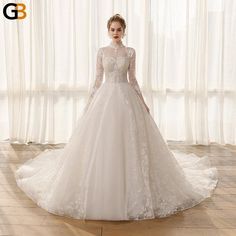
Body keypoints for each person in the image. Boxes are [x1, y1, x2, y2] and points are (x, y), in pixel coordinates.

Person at [15, 14, 218, 221]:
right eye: (112, 29)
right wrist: (90, 101)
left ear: (124, 31)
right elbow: (97, 78)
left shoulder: (130, 52)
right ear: (108, 31)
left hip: (126, 97)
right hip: (105, 97)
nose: (115, 33)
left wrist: (142, 101)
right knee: (102, 142)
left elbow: (133, 79)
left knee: (128, 140)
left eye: (119, 29)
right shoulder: (101, 51)